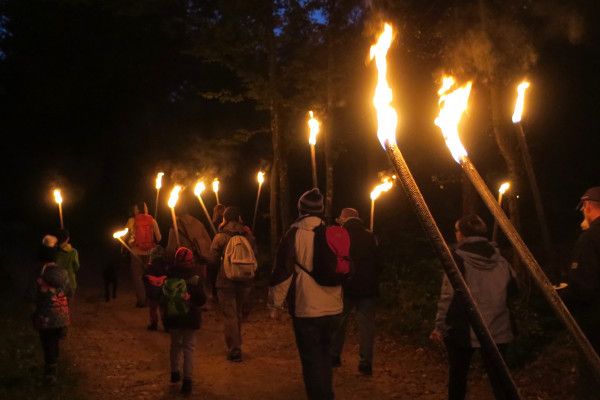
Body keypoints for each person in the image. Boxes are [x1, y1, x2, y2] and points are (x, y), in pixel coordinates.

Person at [430, 214, 516, 400]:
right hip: (498, 328)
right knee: (500, 381)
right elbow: (513, 291)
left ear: (461, 234)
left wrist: (439, 326)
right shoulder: (502, 261)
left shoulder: (456, 260)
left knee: (458, 377)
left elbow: (447, 296)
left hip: (464, 329)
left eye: (457, 231)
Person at [269, 188, 343, 400]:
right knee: (326, 356)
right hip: (334, 306)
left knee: (311, 360)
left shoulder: (294, 234)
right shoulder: (332, 232)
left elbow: (283, 272)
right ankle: (327, 394)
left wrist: (275, 305)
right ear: (320, 211)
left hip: (307, 308)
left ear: (300, 209)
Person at [331, 207, 381, 376]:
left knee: (338, 323)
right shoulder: (370, 236)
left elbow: (335, 261)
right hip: (368, 288)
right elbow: (379, 261)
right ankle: (366, 363)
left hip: (346, 286)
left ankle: (334, 356)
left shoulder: (340, 235)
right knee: (366, 327)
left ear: (344, 218)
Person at [207, 206, 257, 362]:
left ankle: (234, 349)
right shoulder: (248, 235)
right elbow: (255, 253)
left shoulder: (220, 237)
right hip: (246, 280)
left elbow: (212, 261)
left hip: (225, 281)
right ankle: (237, 344)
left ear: (225, 219)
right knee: (238, 314)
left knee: (230, 316)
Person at [565, 186, 600, 398]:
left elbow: (583, 286)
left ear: (587, 206)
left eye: (582, 208)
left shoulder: (590, 238)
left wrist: (563, 295)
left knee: (591, 378)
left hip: (594, 324)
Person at [161, 247, 205, 396]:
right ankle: (187, 381)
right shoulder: (195, 277)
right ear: (191, 261)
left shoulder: (168, 276)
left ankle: (174, 372)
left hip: (173, 318)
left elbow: (163, 299)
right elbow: (201, 300)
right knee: (188, 348)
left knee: (175, 345)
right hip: (190, 318)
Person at [32, 239, 71, 384]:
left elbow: (32, 294)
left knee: (47, 342)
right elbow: (69, 291)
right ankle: (53, 366)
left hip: (45, 316)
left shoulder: (39, 273)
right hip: (61, 316)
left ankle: (50, 372)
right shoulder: (63, 272)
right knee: (54, 342)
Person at [166, 199, 212, 306]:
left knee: (188, 283)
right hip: (200, 258)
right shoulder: (198, 222)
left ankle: (189, 304)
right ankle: (203, 303)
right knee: (200, 282)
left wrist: (169, 259)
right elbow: (208, 240)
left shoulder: (176, 225)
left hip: (185, 261)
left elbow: (171, 247)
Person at [125, 201, 161, 307]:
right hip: (150, 253)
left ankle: (141, 301)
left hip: (135, 252)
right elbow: (159, 238)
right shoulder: (152, 220)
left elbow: (124, 237)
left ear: (137, 210)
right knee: (150, 276)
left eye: (135, 209)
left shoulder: (131, 220)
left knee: (138, 277)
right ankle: (152, 299)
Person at [145, 245, 168, 331]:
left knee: (153, 309)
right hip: (163, 292)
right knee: (163, 308)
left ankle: (154, 324)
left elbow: (145, 278)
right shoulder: (166, 266)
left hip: (152, 292)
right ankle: (166, 325)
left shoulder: (150, 267)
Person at [55, 229, 80, 299]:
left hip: (57, 283)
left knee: (57, 306)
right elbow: (76, 267)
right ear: (68, 238)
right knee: (66, 306)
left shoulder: (53, 251)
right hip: (70, 282)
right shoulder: (73, 252)